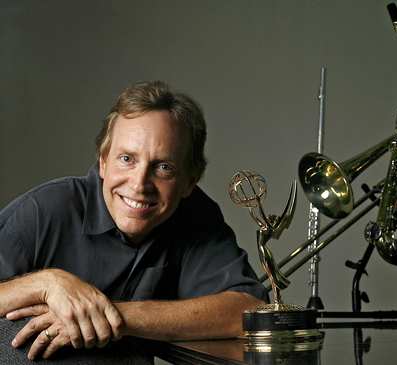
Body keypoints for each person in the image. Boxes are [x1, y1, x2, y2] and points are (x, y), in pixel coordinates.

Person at [0, 81, 267, 361]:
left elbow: (249, 312)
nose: (139, 184)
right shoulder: (46, 209)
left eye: (163, 167)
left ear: (190, 181)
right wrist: (46, 283)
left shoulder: (196, 215)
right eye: (127, 159)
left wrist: (115, 314)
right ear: (103, 162)